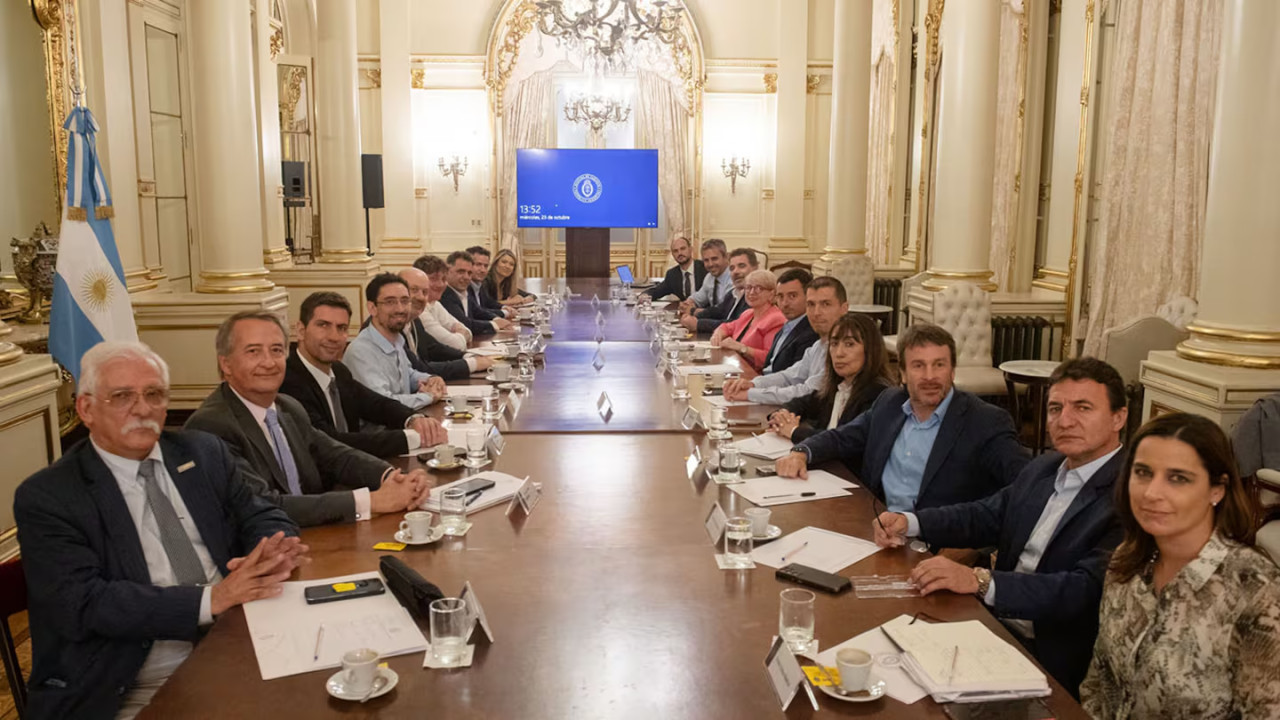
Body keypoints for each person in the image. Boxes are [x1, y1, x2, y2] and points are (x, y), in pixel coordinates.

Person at [15, 341, 307, 719]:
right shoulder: (50, 496)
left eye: (154, 394)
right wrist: (211, 600)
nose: (142, 408)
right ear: (85, 408)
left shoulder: (201, 452)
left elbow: (261, 512)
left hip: (240, 641)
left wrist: (270, 547)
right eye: (122, 396)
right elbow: (84, 603)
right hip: (129, 680)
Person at [874, 357, 1130, 696]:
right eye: (1055, 408)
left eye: (1082, 407)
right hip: (993, 626)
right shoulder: (1045, 467)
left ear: (1119, 417)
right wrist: (910, 522)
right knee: (884, 657)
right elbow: (987, 515)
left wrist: (980, 581)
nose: (1064, 420)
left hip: (1050, 657)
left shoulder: (1130, 495)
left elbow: (1083, 591)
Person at [1080, 413, 1280, 718]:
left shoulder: (1257, 591)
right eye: (1143, 472)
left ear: (1217, 489)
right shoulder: (1126, 561)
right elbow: (1099, 684)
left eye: (1178, 478)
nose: (1152, 493)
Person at [186, 311, 428, 527]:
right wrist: (371, 501)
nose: (269, 362)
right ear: (225, 364)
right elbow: (263, 504)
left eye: (277, 350)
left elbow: (336, 455)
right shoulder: (212, 426)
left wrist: (392, 478)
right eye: (253, 351)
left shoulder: (287, 406)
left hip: (315, 536)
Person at [777, 323, 1028, 511]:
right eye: (918, 366)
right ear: (904, 373)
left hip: (938, 544)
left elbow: (1025, 489)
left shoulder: (985, 421)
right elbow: (843, 437)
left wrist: (975, 547)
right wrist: (801, 451)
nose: (930, 376)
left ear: (952, 371)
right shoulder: (890, 403)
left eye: (939, 365)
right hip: (877, 526)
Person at [279, 291, 448, 458]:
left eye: (341, 328)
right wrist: (412, 438)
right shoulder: (288, 381)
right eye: (323, 325)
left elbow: (375, 404)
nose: (334, 337)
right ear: (301, 330)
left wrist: (414, 419)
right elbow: (331, 442)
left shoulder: (338, 370)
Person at [722, 276, 848, 405]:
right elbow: (789, 376)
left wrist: (750, 394)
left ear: (844, 308)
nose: (816, 312)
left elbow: (809, 392)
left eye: (825, 304)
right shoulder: (819, 344)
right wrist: (752, 384)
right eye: (811, 304)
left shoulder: (846, 349)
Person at [768, 313, 892, 443]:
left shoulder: (878, 394)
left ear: (870, 350)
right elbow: (803, 403)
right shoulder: (839, 385)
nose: (839, 353)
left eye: (849, 344)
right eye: (834, 344)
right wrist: (782, 414)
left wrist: (793, 431)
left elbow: (843, 440)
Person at [343, 273, 448, 410]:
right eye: (390, 302)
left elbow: (407, 374)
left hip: (404, 422)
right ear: (372, 308)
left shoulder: (396, 339)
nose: (400, 309)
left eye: (405, 301)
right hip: (380, 429)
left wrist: (431, 379)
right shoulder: (361, 352)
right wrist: (429, 396)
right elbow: (384, 402)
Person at [399, 266, 493, 380]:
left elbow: (435, 348)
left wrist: (471, 356)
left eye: (424, 292)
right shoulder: (394, 326)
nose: (420, 297)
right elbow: (419, 369)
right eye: (414, 290)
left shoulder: (414, 321)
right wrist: (472, 364)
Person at [710, 268, 785, 371]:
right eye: (748, 287)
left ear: (772, 293)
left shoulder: (775, 319)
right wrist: (717, 334)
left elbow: (768, 358)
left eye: (759, 288)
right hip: (735, 367)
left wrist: (741, 348)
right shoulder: (748, 313)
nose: (751, 292)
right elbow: (727, 327)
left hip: (754, 375)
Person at [681, 247, 757, 334]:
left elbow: (736, 324)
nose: (735, 271)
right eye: (732, 268)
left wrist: (698, 324)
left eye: (741, 266)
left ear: (755, 268)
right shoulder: (733, 293)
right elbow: (718, 311)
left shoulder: (755, 295)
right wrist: (693, 316)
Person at [440, 250, 514, 336]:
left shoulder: (463, 291)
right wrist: (494, 324)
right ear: (447, 271)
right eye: (461, 272)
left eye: (469, 273)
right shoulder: (444, 294)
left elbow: (478, 311)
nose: (466, 277)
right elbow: (464, 324)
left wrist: (496, 318)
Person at [760, 267, 818, 374]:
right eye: (780, 296)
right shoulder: (787, 326)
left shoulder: (810, 333)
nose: (785, 303)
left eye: (792, 296)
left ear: (808, 296)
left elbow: (794, 379)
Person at [412, 254, 473, 351]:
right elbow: (456, 345)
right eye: (433, 279)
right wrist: (460, 333)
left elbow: (468, 332)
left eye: (444, 279)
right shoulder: (419, 311)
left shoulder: (435, 304)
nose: (440, 284)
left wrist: (460, 333)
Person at [644, 234, 706, 301]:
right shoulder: (672, 275)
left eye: (683, 249)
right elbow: (657, 291)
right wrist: (645, 295)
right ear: (673, 254)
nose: (680, 253)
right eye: (675, 251)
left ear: (690, 249)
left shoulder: (705, 268)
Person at [679, 238, 732, 313]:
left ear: (725, 257)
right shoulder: (709, 277)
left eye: (714, 259)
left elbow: (723, 311)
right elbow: (699, 297)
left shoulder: (733, 278)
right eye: (706, 260)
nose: (710, 264)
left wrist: (694, 311)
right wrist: (688, 303)